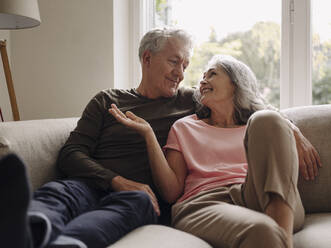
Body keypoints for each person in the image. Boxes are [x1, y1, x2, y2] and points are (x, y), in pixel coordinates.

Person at [0, 28, 320, 248]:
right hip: (91, 183)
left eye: (185, 65)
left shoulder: (189, 101)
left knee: (131, 206)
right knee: (57, 196)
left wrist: (290, 126)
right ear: (147, 58)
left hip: (141, 197)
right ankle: (24, 230)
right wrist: (114, 179)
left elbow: (249, 104)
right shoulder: (107, 99)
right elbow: (71, 153)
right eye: (174, 61)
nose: (182, 73)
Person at [109, 54, 322, 248]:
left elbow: (270, 119)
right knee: (262, 230)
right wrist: (149, 135)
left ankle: (280, 231)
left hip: (257, 195)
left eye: (212, 74)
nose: (203, 81)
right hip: (205, 203)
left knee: (266, 119)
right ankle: (278, 237)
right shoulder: (185, 127)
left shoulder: (259, 125)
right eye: (202, 77)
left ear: (236, 84)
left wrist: (292, 128)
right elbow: (171, 192)